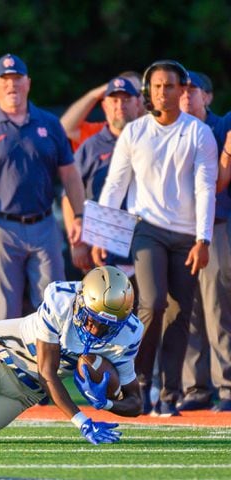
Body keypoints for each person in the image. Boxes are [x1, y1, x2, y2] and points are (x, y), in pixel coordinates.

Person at [91, 60, 218, 416]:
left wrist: (203, 240)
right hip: (146, 229)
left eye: (170, 86)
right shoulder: (135, 133)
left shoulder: (198, 133)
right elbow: (115, 184)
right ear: (149, 91)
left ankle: (169, 394)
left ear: (183, 90)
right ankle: (140, 382)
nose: (163, 92)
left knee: (180, 313)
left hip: (187, 235)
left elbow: (205, 186)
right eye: (157, 86)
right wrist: (102, 233)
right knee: (153, 302)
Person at [0, 266, 143, 444]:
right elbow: (46, 372)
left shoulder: (129, 334)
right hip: (2, 363)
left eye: (106, 326)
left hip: (25, 394)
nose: (95, 330)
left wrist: (106, 404)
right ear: (80, 301)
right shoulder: (60, 300)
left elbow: (136, 403)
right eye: (92, 319)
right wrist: (82, 421)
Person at [0, 53, 86, 321]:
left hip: (44, 224)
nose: (11, 85)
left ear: (28, 83)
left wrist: (79, 215)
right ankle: (10, 364)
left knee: (55, 304)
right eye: (5, 79)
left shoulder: (49, 123)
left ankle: (52, 364)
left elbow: (70, 174)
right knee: (7, 311)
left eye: (17, 78)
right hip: (1, 228)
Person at [177, 71, 231, 412]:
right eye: (180, 89)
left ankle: (226, 386)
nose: (184, 95)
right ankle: (194, 387)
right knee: (187, 310)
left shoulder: (221, 126)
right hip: (179, 229)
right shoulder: (171, 129)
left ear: (207, 96)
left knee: (217, 306)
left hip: (216, 226)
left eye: (192, 89)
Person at [61, 77, 142, 273]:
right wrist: (77, 243)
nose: (120, 106)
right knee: (106, 302)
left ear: (138, 103)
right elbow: (68, 196)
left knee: (150, 303)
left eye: (126, 99)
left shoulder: (151, 139)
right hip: (103, 248)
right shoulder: (91, 145)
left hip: (145, 242)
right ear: (104, 105)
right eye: (114, 100)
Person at [60, 71, 144, 151]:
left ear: (146, 97)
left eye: (132, 93)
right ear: (105, 106)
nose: (121, 104)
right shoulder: (104, 134)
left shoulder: (154, 130)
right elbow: (65, 128)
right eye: (116, 98)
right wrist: (95, 94)